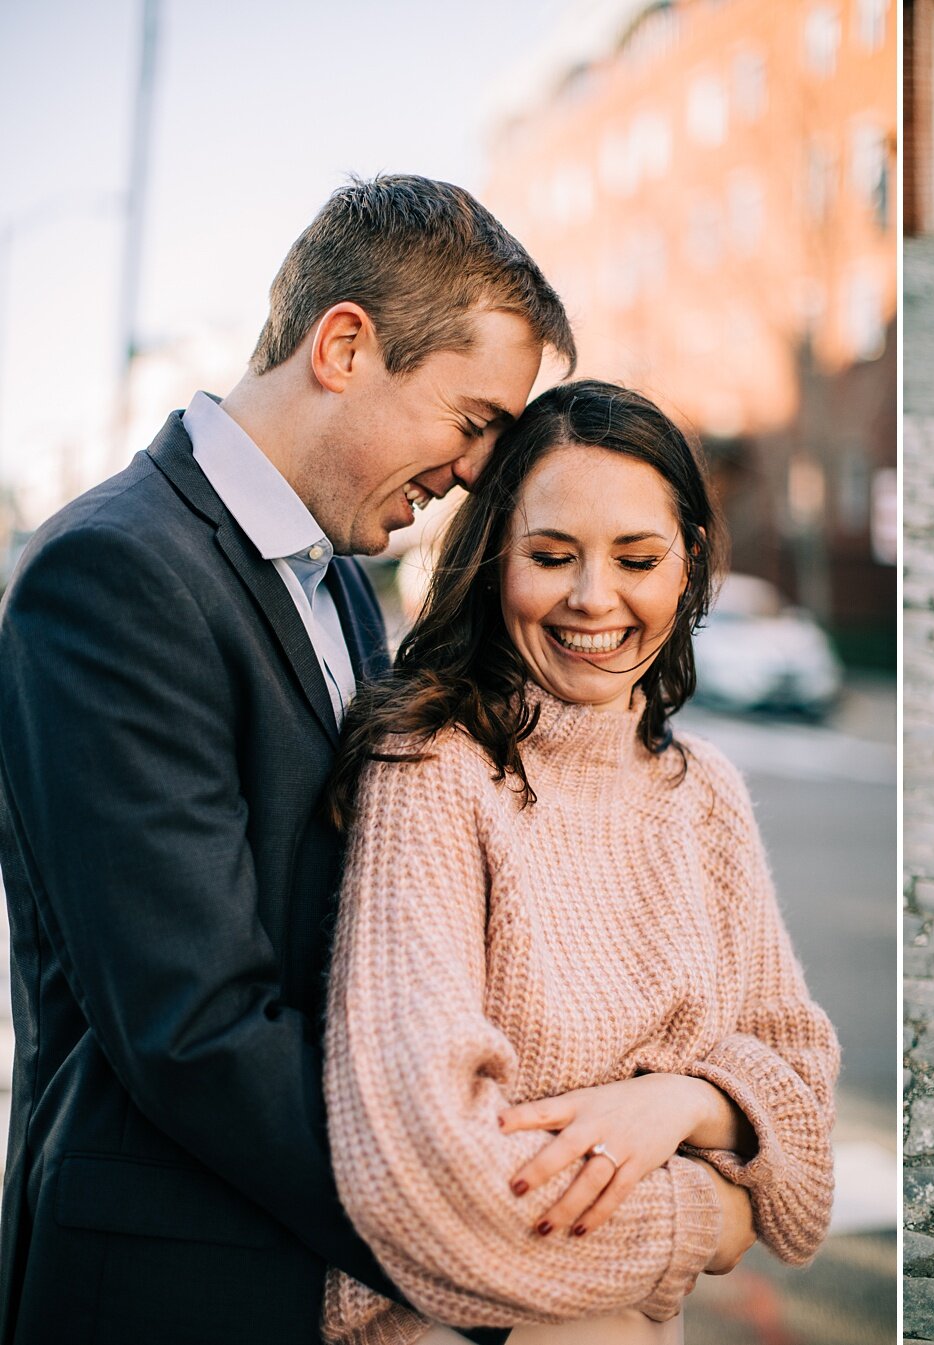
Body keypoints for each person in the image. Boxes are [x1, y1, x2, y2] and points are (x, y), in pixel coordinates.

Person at [0, 175, 573, 1345]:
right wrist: (454, 1239)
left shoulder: (340, 589)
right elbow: (193, 1022)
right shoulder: (115, 574)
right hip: (170, 1281)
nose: (473, 474)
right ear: (347, 346)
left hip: (301, 1272)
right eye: (471, 424)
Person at [320, 380, 839, 1345]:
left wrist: (681, 1100)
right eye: (552, 556)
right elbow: (428, 1186)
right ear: (493, 563)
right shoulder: (434, 769)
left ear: (687, 564)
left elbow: (806, 1123)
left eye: (636, 557)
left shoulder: (703, 790)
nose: (594, 598)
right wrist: (711, 1218)